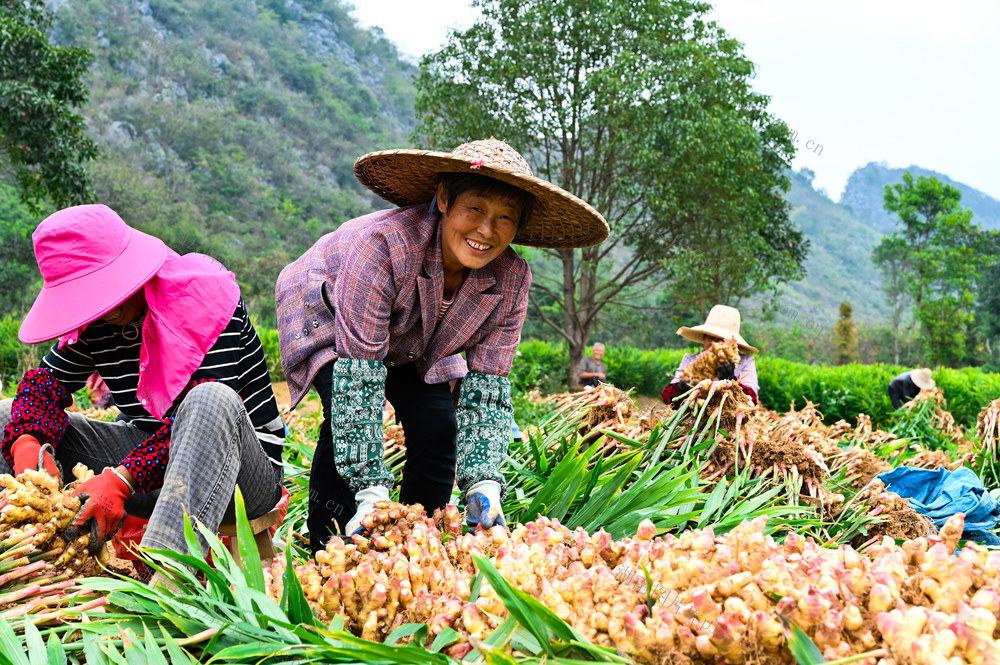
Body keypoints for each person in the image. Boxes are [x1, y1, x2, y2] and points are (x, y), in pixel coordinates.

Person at [275, 138, 608, 552]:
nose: (486, 230)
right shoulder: (383, 247)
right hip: (327, 308)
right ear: (444, 198)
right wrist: (372, 496)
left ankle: (421, 539)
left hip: (421, 337)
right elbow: (358, 385)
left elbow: (487, 389)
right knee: (344, 412)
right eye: (475, 209)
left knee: (437, 425)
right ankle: (330, 540)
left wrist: (483, 481)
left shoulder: (511, 279)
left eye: (506, 217)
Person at [0, 205, 285, 584]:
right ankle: (28, 559)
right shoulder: (94, 323)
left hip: (240, 476)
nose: (99, 308)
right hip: (149, 469)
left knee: (209, 400)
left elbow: (207, 421)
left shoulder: (206, 300)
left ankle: (165, 587)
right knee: (8, 415)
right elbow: (43, 388)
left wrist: (122, 480)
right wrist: (25, 442)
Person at [661, 305, 760, 405]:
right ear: (704, 337)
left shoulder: (746, 362)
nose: (715, 344)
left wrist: (732, 383)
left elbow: (752, 401)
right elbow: (668, 398)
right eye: (711, 337)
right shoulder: (690, 360)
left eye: (721, 339)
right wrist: (681, 389)